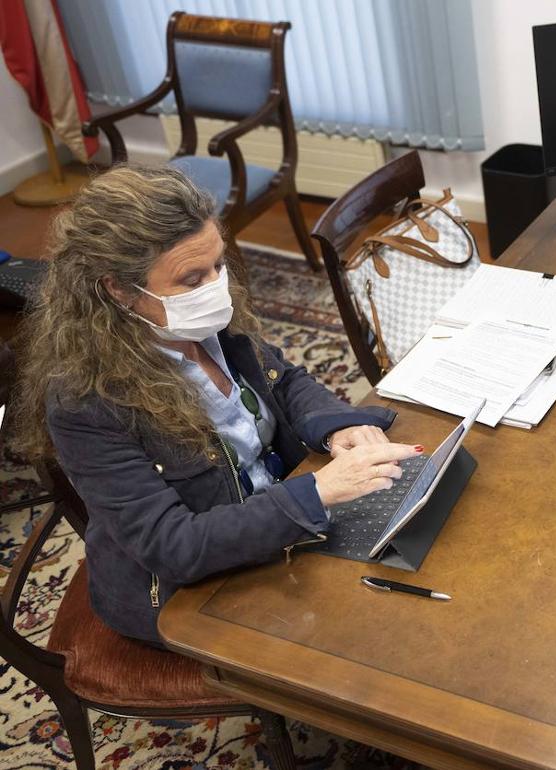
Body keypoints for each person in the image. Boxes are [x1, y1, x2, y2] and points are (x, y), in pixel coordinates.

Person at [11, 164, 422, 644]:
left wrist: (335, 427)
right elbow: (175, 546)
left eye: (218, 265)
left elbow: (283, 380)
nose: (215, 288)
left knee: (418, 558)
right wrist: (318, 492)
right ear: (118, 290)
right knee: (375, 634)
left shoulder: (196, 320)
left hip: (275, 522)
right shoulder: (85, 402)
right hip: (188, 588)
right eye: (190, 279)